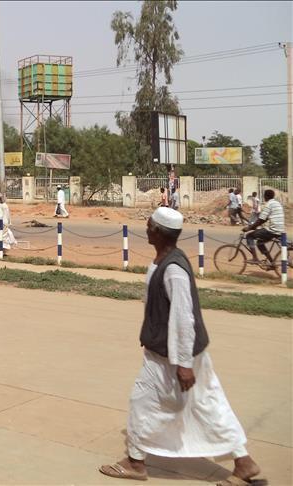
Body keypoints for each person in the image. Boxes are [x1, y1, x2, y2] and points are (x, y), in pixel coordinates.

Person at [99, 207, 261, 485]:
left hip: (170, 357)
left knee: (142, 402)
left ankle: (135, 462)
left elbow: (183, 318)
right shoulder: (164, 260)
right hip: (178, 352)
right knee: (208, 404)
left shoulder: (173, 268)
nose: (146, 228)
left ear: (159, 232)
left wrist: (183, 364)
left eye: (150, 225)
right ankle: (243, 461)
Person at [242, 189, 285, 265]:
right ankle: (272, 263)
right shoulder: (277, 203)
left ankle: (255, 258)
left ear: (266, 196)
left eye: (264, 195)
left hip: (272, 230)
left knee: (249, 236)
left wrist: (249, 228)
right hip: (280, 229)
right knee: (260, 242)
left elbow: (261, 220)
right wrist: (254, 226)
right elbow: (265, 219)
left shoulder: (269, 204)